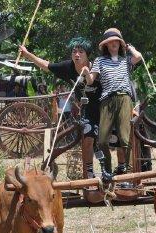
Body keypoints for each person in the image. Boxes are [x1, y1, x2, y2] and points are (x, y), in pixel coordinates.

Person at [19, 37, 125, 179]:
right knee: (88, 139)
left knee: (112, 141)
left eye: (81, 52)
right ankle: (89, 173)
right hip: (87, 111)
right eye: (74, 52)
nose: (77, 55)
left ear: (87, 54)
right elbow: (46, 65)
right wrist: (27, 54)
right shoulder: (68, 68)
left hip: (106, 109)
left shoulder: (98, 66)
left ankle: (117, 171)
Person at [83, 28, 142, 176]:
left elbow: (139, 57)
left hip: (124, 98)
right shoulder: (99, 60)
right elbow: (90, 81)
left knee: (124, 138)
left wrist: (130, 48)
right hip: (106, 100)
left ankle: (126, 172)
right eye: (110, 42)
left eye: (116, 41)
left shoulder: (126, 60)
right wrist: (85, 72)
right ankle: (107, 170)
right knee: (102, 140)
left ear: (120, 44)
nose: (113, 44)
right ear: (106, 46)